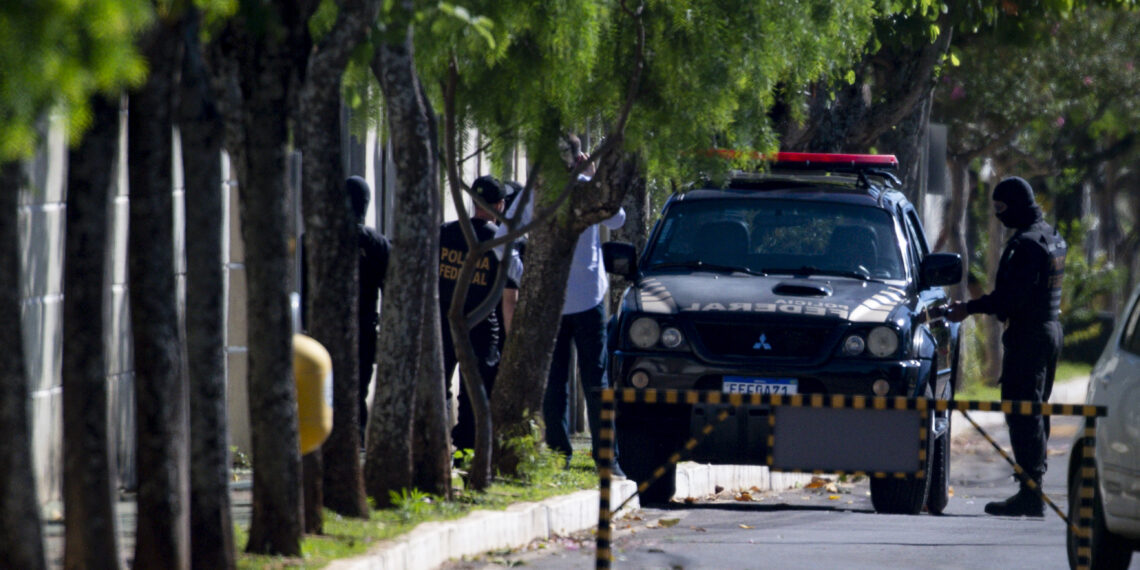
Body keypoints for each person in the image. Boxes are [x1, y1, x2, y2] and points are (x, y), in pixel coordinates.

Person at [946, 176, 1067, 517]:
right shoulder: (1051, 236)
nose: (998, 215)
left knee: (1022, 413)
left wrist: (968, 309)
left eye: (1001, 208)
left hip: (1029, 335)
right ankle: (1032, 488)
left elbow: (1013, 298)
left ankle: (1031, 493)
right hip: (1048, 330)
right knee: (1034, 411)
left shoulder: (1027, 245)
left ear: (1016, 204)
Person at [542, 134, 626, 476]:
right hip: (588, 298)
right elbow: (617, 218)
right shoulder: (586, 187)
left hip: (559, 300)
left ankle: (558, 456)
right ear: (579, 158)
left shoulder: (539, 191)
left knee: (555, 383)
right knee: (596, 381)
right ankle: (607, 459)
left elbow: (510, 230)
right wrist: (592, 176)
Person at [439, 175, 519, 451]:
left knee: (440, 388)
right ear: (499, 205)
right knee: (475, 394)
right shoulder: (500, 241)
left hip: (444, 323)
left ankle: (436, 447)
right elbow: (512, 293)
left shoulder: (444, 233)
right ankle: (465, 451)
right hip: (484, 329)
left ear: (473, 202)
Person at [347, 176, 391, 442]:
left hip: (322, 329)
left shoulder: (317, 239)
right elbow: (391, 288)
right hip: (363, 327)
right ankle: (356, 440)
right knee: (358, 389)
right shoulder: (377, 243)